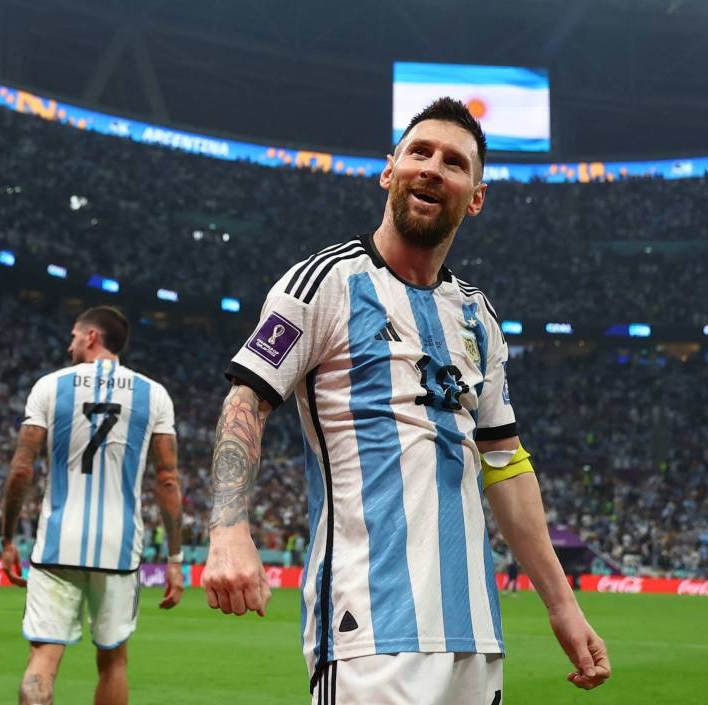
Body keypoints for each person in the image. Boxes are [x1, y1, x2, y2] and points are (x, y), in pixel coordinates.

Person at [202, 97, 611, 704]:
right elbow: (247, 400)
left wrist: (562, 605)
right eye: (419, 151)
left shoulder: (478, 317)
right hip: (370, 627)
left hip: (474, 635)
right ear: (388, 170)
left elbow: (504, 463)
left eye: (454, 162)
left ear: (475, 196)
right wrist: (228, 528)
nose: (432, 167)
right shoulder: (324, 284)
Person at [0, 306, 185, 705]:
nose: (69, 344)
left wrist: (7, 538)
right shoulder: (154, 394)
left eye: (73, 335)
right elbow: (167, 479)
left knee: (43, 656)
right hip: (118, 546)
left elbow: (20, 470)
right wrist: (174, 557)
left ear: (91, 337)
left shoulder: (49, 387)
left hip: (56, 542)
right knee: (114, 661)